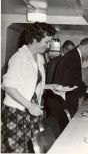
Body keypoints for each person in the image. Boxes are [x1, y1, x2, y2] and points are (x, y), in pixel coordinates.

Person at [1, 22, 66, 153]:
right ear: (35, 39)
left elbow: (30, 83)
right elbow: (8, 86)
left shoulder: (39, 57)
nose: (48, 46)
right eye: (46, 42)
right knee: (17, 149)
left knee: (32, 147)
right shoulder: (19, 58)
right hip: (17, 111)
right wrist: (29, 105)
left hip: (31, 110)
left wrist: (50, 86)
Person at [53, 38, 88, 118]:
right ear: (86, 47)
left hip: (67, 96)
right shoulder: (73, 57)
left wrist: (87, 89)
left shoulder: (74, 55)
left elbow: (75, 78)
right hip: (66, 98)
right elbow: (71, 80)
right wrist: (86, 90)